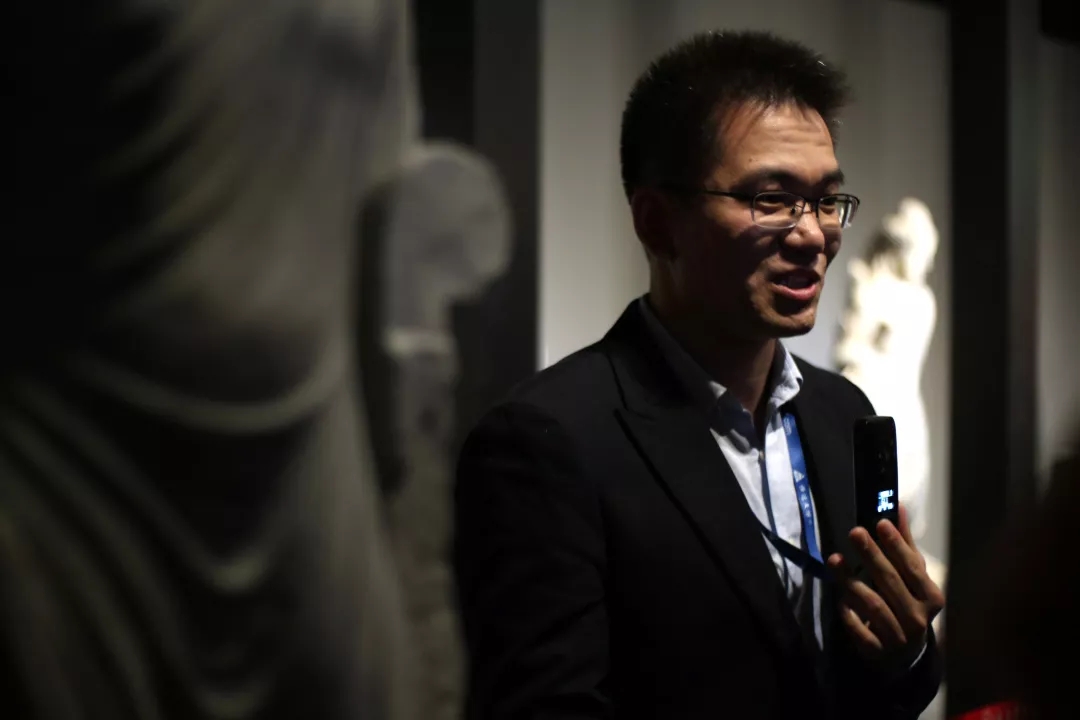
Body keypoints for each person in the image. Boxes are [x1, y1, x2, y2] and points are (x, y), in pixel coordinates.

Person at [454, 30, 944, 719]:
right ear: (659, 224)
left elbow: (877, 684)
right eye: (772, 199)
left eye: (827, 200)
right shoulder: (548, 443)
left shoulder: (842, 412)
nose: (813, 234)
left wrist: (908, 651)